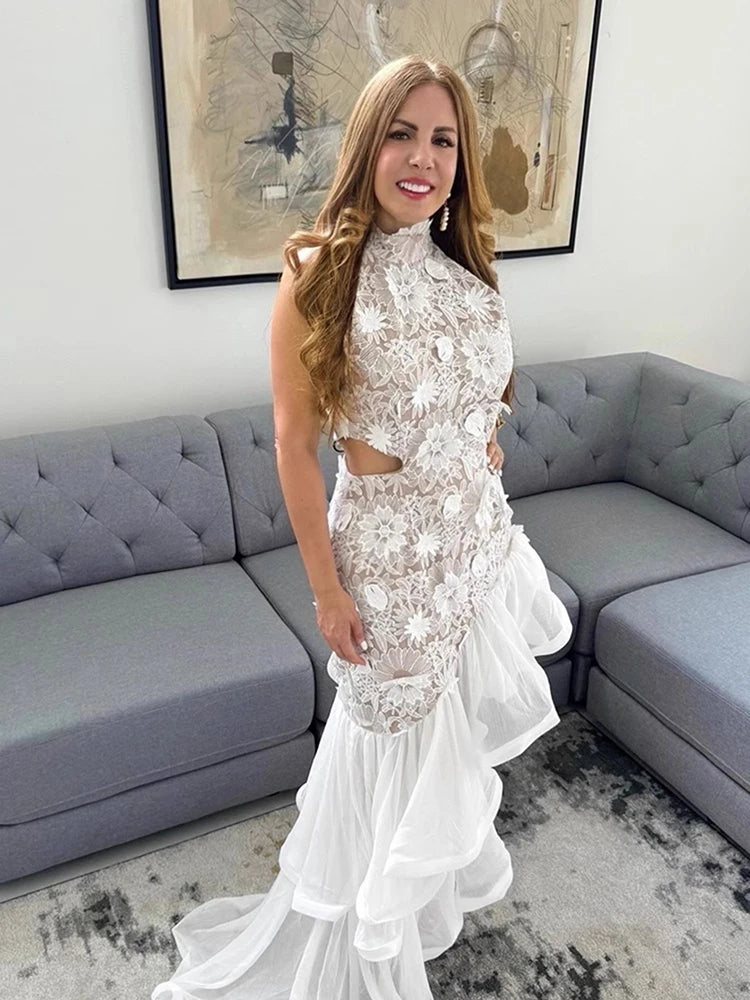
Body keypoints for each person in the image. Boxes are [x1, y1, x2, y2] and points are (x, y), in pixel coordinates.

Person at [151, 53, 573, 1000]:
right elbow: (294, 447)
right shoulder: (316, 274)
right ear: (366, 144)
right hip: (384, 564)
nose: (423, 159)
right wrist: (325, 590)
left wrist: (482, 442)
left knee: (434, 752)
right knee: (384, 756)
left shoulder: (464, 271)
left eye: (444, 141)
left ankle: (406, 925)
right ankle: (355, 956)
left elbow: (477, 388)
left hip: (467, 542)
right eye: (402, 134)